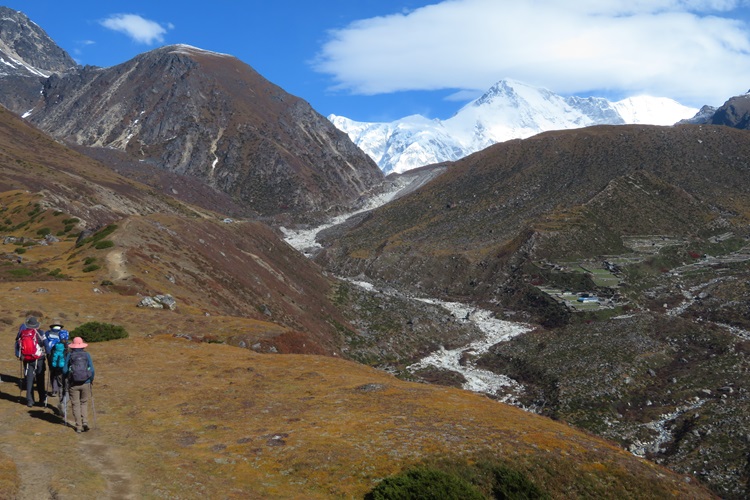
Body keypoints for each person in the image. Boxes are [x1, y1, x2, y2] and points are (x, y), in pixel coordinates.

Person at [63, 337, 95, 433]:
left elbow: (64, 370)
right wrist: (91, 379)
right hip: (86, 382)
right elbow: (92, 370)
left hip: (73, 383)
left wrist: (66, 378)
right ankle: (85, 421)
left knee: (75, 404)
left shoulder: (70, 355)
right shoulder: (86, 355)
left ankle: (78, 426)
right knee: (84, 402)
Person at [15, 316, 46, 407]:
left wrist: (19, 355)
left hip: (26, 359)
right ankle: (42, 399)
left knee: (29, 379)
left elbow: (17, 344)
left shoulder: (22, 333)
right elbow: (45, 344)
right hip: (39, 359)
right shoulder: (40, 332)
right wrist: (48, 353)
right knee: (40, 379)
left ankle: (30, 400)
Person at [44, 323, 67, 397]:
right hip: (62, 355)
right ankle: (62, 387)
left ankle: (54, 390)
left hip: (50, 355)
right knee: (61, 371)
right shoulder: (64, 333)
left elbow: (45, 344)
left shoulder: (47, 333)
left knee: (52, 372)